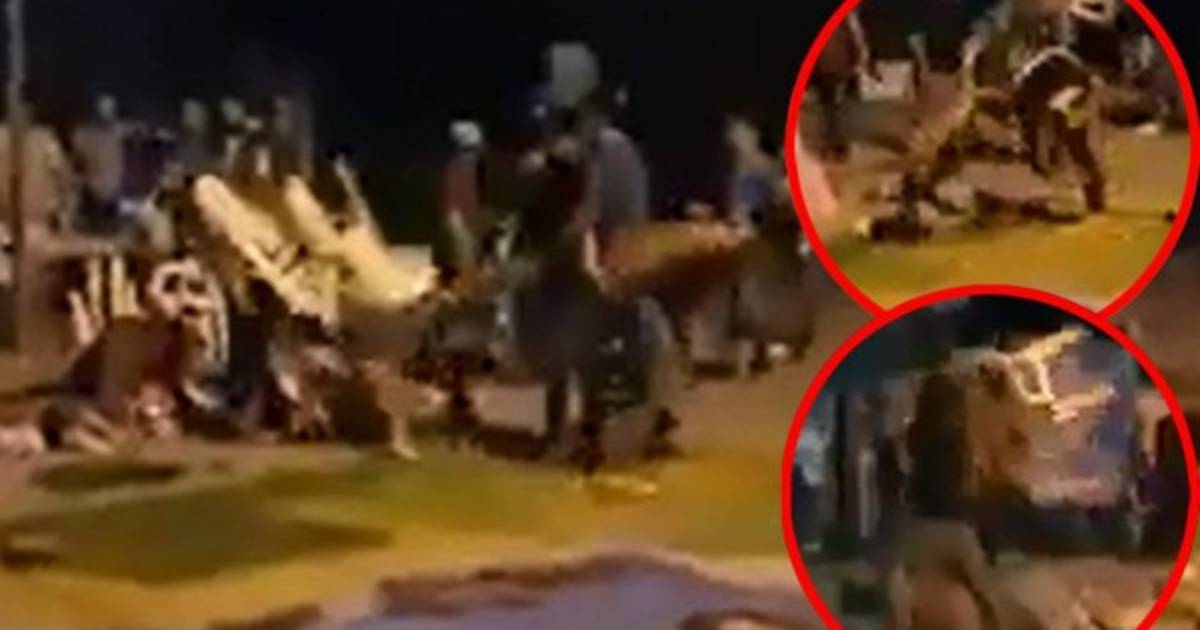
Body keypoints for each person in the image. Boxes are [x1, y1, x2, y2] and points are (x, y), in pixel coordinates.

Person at [810, 9, 870, 162]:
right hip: (838, 64)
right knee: (839, 106)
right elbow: (856, 34)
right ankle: (840, 146)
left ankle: (835, 145)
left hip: (827, 65)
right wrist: (860, 57)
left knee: (829, 107)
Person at [70, 94, 126, 234]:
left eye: (109, 110)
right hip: (93, 194)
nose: (106, 114)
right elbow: (76, 163)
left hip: (111, 195)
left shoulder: (118, 132)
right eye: (104, 110)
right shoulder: (84, 134)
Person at [440, 120, 487, 279]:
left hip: (463, 216)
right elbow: (458, 194)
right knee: (465, 253)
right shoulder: (462, 165)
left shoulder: (464, 164)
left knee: (469, 252)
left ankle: (467, 278)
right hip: (460, 217)